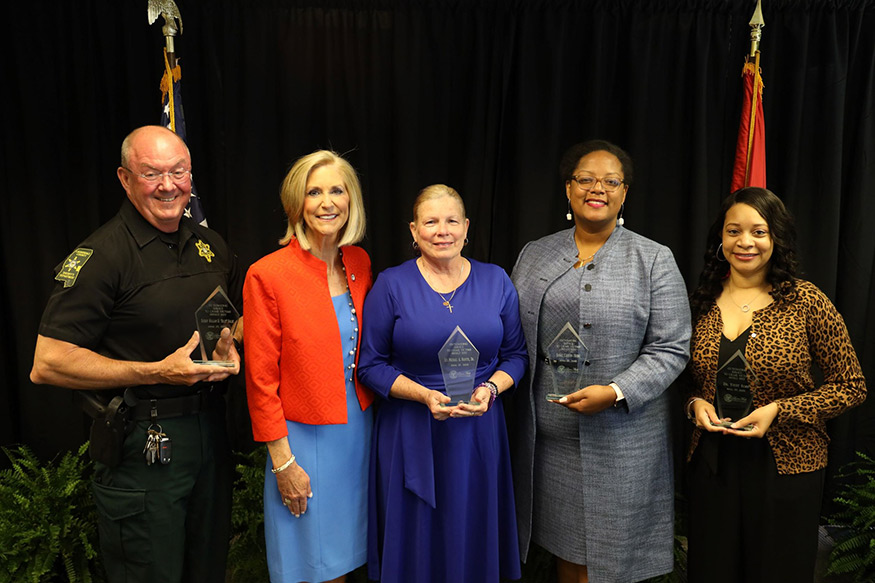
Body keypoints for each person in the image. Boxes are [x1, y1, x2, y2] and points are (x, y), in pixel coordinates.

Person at [29, 125, 242, 583]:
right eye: (152, 174)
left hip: (209, 433)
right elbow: (47, 362)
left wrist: (234, 345)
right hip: (142, 442)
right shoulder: (102, 255)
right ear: (125, 179)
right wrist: (157, 373)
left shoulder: (212, 245)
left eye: (178, 172)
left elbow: (229, 324)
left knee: (207, 570)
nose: (169, 185)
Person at [510, 140, 691, 583]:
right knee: (567, 560)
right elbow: (509, 334)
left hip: (623, 442)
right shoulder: (535, 253)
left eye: (611, 181)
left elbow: (672, 347)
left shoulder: (653, 259)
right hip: (551, 444)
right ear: (568, 189)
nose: (598, 189)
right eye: (586, 179)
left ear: (624, 193)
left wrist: (615, 392)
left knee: (612, 565)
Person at [683, 187, 866, 583]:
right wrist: (695, 404)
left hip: (788, 463)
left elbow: (851, 385)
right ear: (720, 238)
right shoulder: (700, 301)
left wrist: (780, 410)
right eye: (733, 231)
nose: (744, 242)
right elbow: (685, 381)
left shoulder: (805, 301)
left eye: (758, 232)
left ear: (775, 238)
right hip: (714, 462)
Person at [358, 184, 527, 583]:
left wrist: (490, 389)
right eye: (430, 222)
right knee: (416, 542)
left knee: (471, 532)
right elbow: (370, 366)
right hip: (412, 428)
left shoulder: (496, 280)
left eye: (451, 220)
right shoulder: (390, 284)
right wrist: (422, 394)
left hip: (478, 430)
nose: (442, 230)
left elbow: (516, 356)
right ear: (414, 231)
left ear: (466, 227)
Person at [243, 150, 373, 583]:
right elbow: (261, 382)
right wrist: (283, 463)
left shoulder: (358, 263)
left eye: (337, 190)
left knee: (350, 559)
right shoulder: (267, 274)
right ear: (296, 203)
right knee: (315, 567)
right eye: (313, 192)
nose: (326, 202)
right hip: (303, 443)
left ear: (351, 200)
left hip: (359, 433)